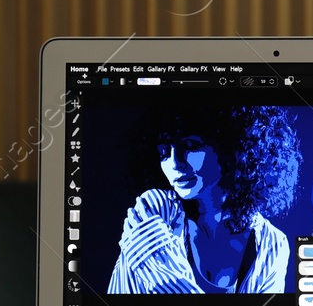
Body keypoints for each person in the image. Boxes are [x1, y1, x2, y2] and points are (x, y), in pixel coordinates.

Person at [108, 106, 301, 294]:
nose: (175, 164)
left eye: (191, 146)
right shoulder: (154, 209)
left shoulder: (272, 243)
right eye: (164, 153)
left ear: (232, 146)